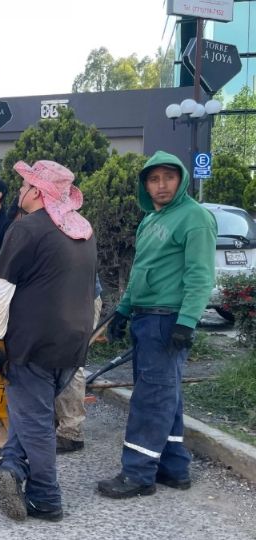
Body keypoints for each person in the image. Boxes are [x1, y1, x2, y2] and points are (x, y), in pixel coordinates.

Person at [98, 151, 216, 499]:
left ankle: (138, 474)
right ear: (145, 185)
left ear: (181, 180)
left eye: (168, 177)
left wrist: (187, 322)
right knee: (167, 396)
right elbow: (139, 271)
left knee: (150, 399)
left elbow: (200, 276)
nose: (161, 185)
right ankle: (173, 468)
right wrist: (121, 311)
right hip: (146, 318)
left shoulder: (195, 218)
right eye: (153, 179)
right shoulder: (150, 219)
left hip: (168, 320)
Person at [0, 160, 97, 522]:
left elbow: (0, 291)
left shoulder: (27, 229)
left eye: (24, 185)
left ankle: (47, 498)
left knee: (34, 422)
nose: (20, 191)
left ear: (36, 191)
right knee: (32, 413)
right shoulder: (82, 229)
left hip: (32, 341)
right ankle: (11, 468)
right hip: (73, 341)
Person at [53, 276, 103, 454]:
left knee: (70, 362)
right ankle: (54, 421)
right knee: (53, 359)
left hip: (77, 299)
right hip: (63, 296)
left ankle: (70, 433)